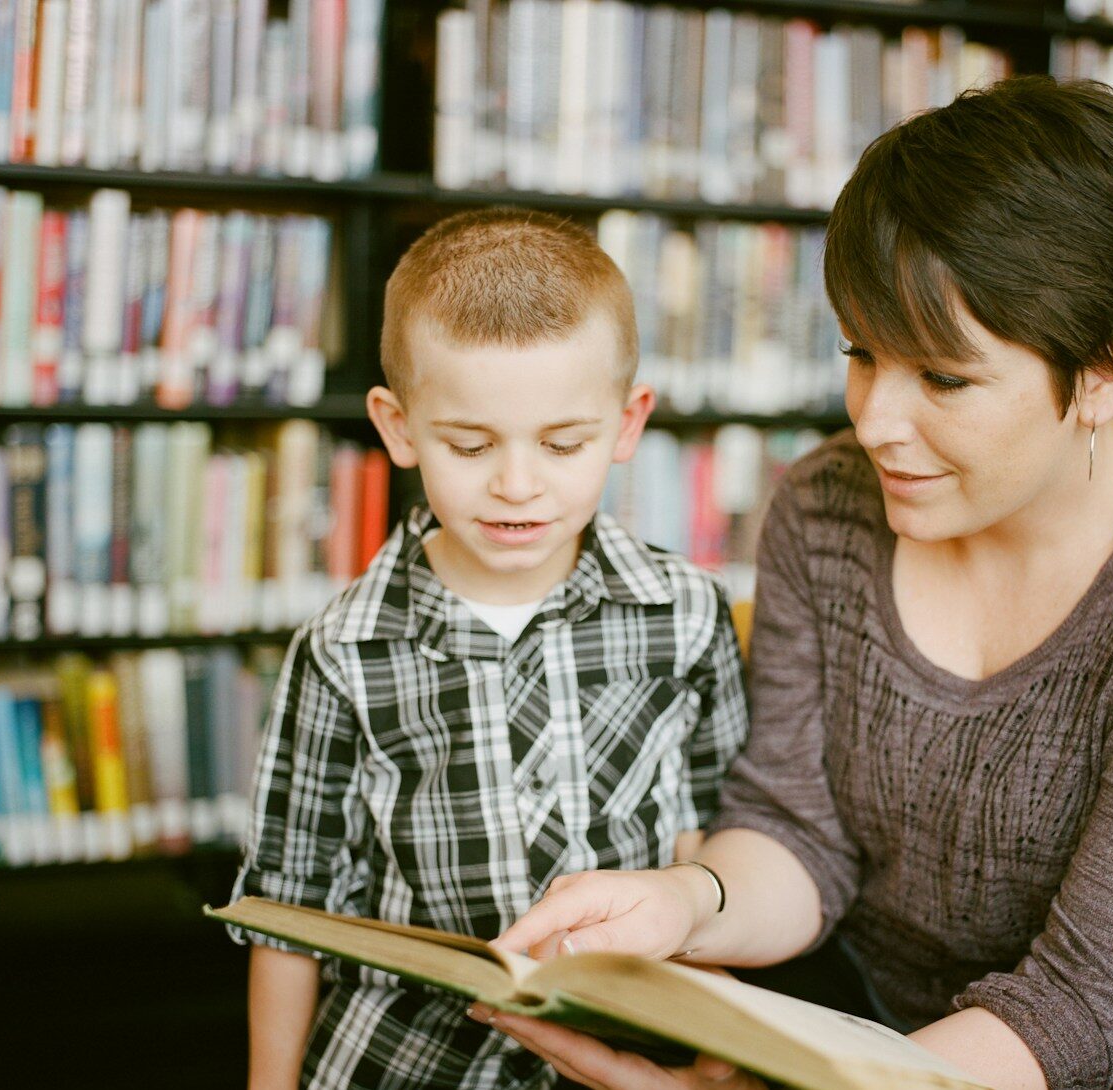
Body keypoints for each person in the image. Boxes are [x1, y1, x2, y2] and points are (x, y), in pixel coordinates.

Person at [482, 78, 1113, 1090]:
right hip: (867, 993)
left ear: (1104, 371)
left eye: (942, 377)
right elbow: (798, 833)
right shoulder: (825, 504)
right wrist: (687, 901)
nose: (875, 419)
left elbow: (1088, 1003)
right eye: (860, 352)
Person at [230, 208, 750, 1090]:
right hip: (403, 1060)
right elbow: (287, 909)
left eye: (562, 442)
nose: (517, 485)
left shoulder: (688, 613)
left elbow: (716, 847)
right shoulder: (343, 649)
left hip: (627, 1053)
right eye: (469, 445)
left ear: (627, 425)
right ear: (398, 429)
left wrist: (716, 1062)